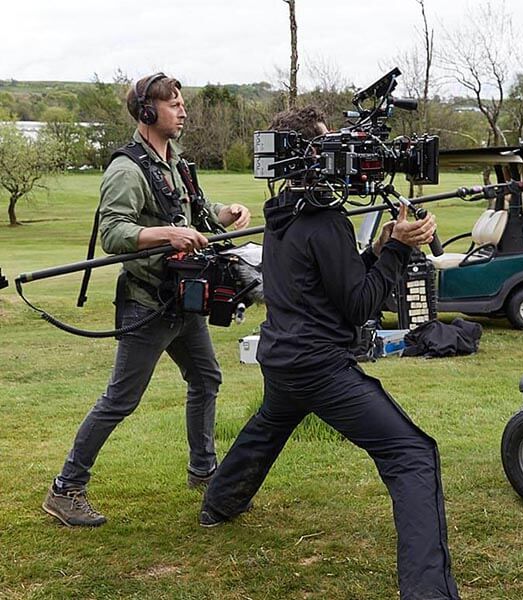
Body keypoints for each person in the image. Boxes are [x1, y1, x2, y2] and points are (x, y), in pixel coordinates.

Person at [201, 105, 461, 600]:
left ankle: (220, 503)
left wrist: (383, 245)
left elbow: (327, 282)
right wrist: (400, 249)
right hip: (319, 366)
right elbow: (359, 303)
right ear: (307, 156)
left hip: (283, 356)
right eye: (327, 148)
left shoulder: (283, 214)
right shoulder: (324, 222)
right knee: (412, 454)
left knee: (268, 426)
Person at [42, 73, 252, 526]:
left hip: (183, 299)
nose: (182, 110)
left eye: (181, 102)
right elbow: (113, 233)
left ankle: (204, 471)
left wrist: (224, 212)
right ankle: (66, 487)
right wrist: (167, 233)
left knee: (205, 378)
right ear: (147, 113)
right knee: (121, 398)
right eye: (173, 104)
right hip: (147, 304)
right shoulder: (126, 168)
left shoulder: (174, 161)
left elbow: (197, 209)